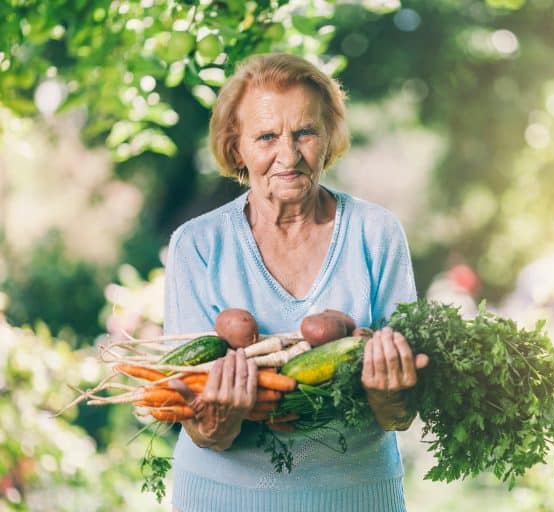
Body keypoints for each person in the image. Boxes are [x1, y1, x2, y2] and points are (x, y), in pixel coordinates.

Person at [163, 53, 428, 512]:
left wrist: (390, 395)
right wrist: (218, 419)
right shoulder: (197, 245)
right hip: (222, 500)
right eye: (266, 136)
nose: (288, 155)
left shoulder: (376, 234)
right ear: (236, 146)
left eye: (305, 132)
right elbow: (203, 430)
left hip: (355, 497)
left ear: (328, 138)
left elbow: (400, 417)